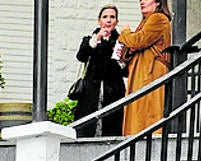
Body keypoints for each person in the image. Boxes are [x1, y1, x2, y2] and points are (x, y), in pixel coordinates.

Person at [119, 0, 172, 135]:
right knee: (137, 111)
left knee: (147, 112)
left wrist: (125, 32)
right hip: (142, 71)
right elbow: (132, 46)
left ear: (158, 2)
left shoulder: (158, 18)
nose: (142, 2)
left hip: (150, 72)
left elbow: (137, 41)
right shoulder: (147, 21)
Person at [73, 6, 127, 138]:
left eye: (112, 17)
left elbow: (126, 71)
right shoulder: (90, 40)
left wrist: (122, 60)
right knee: (87, 127)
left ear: (116, 21)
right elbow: (81, 56)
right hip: (91, 92)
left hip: (114, 92)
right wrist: (97, 39)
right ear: (99, 21)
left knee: (112, 128)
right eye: (105, 17)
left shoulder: (122, 41)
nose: (108, 20)